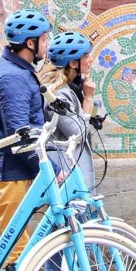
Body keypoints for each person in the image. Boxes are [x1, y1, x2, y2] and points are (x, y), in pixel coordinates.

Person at [0, 9, 52, 271]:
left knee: (10, 240)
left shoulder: (20, 70)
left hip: (18, 170)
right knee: (15, 244)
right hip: (13, 172)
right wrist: (46, 161)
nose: (47, 45)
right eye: (43, 40)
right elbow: (18, 134)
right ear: (30, 42)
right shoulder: (12, 77)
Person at [36, 32, 97, 189]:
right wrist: (88, 100)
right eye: (86, 56)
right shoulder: (57, 95)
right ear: (73, 63)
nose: (91, 60)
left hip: (74, 167)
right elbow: (79, 133)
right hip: (67, 171)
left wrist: (90, 100)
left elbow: (90, 126)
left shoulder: (73, 88)